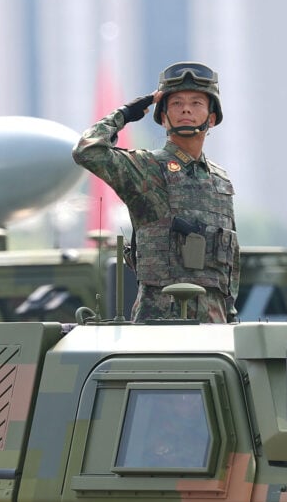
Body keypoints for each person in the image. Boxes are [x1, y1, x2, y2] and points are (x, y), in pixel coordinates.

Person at [73, 61, 239, 323]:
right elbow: (87, 150)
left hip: (213, 324)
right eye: (176, 103)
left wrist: (230, 316)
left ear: (211, 118)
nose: (186, 109)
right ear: (163, 117)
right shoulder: (145, 168)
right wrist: (126, 113)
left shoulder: (220, 181)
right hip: (158, 322)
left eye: (196, 103)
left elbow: (230, 261)